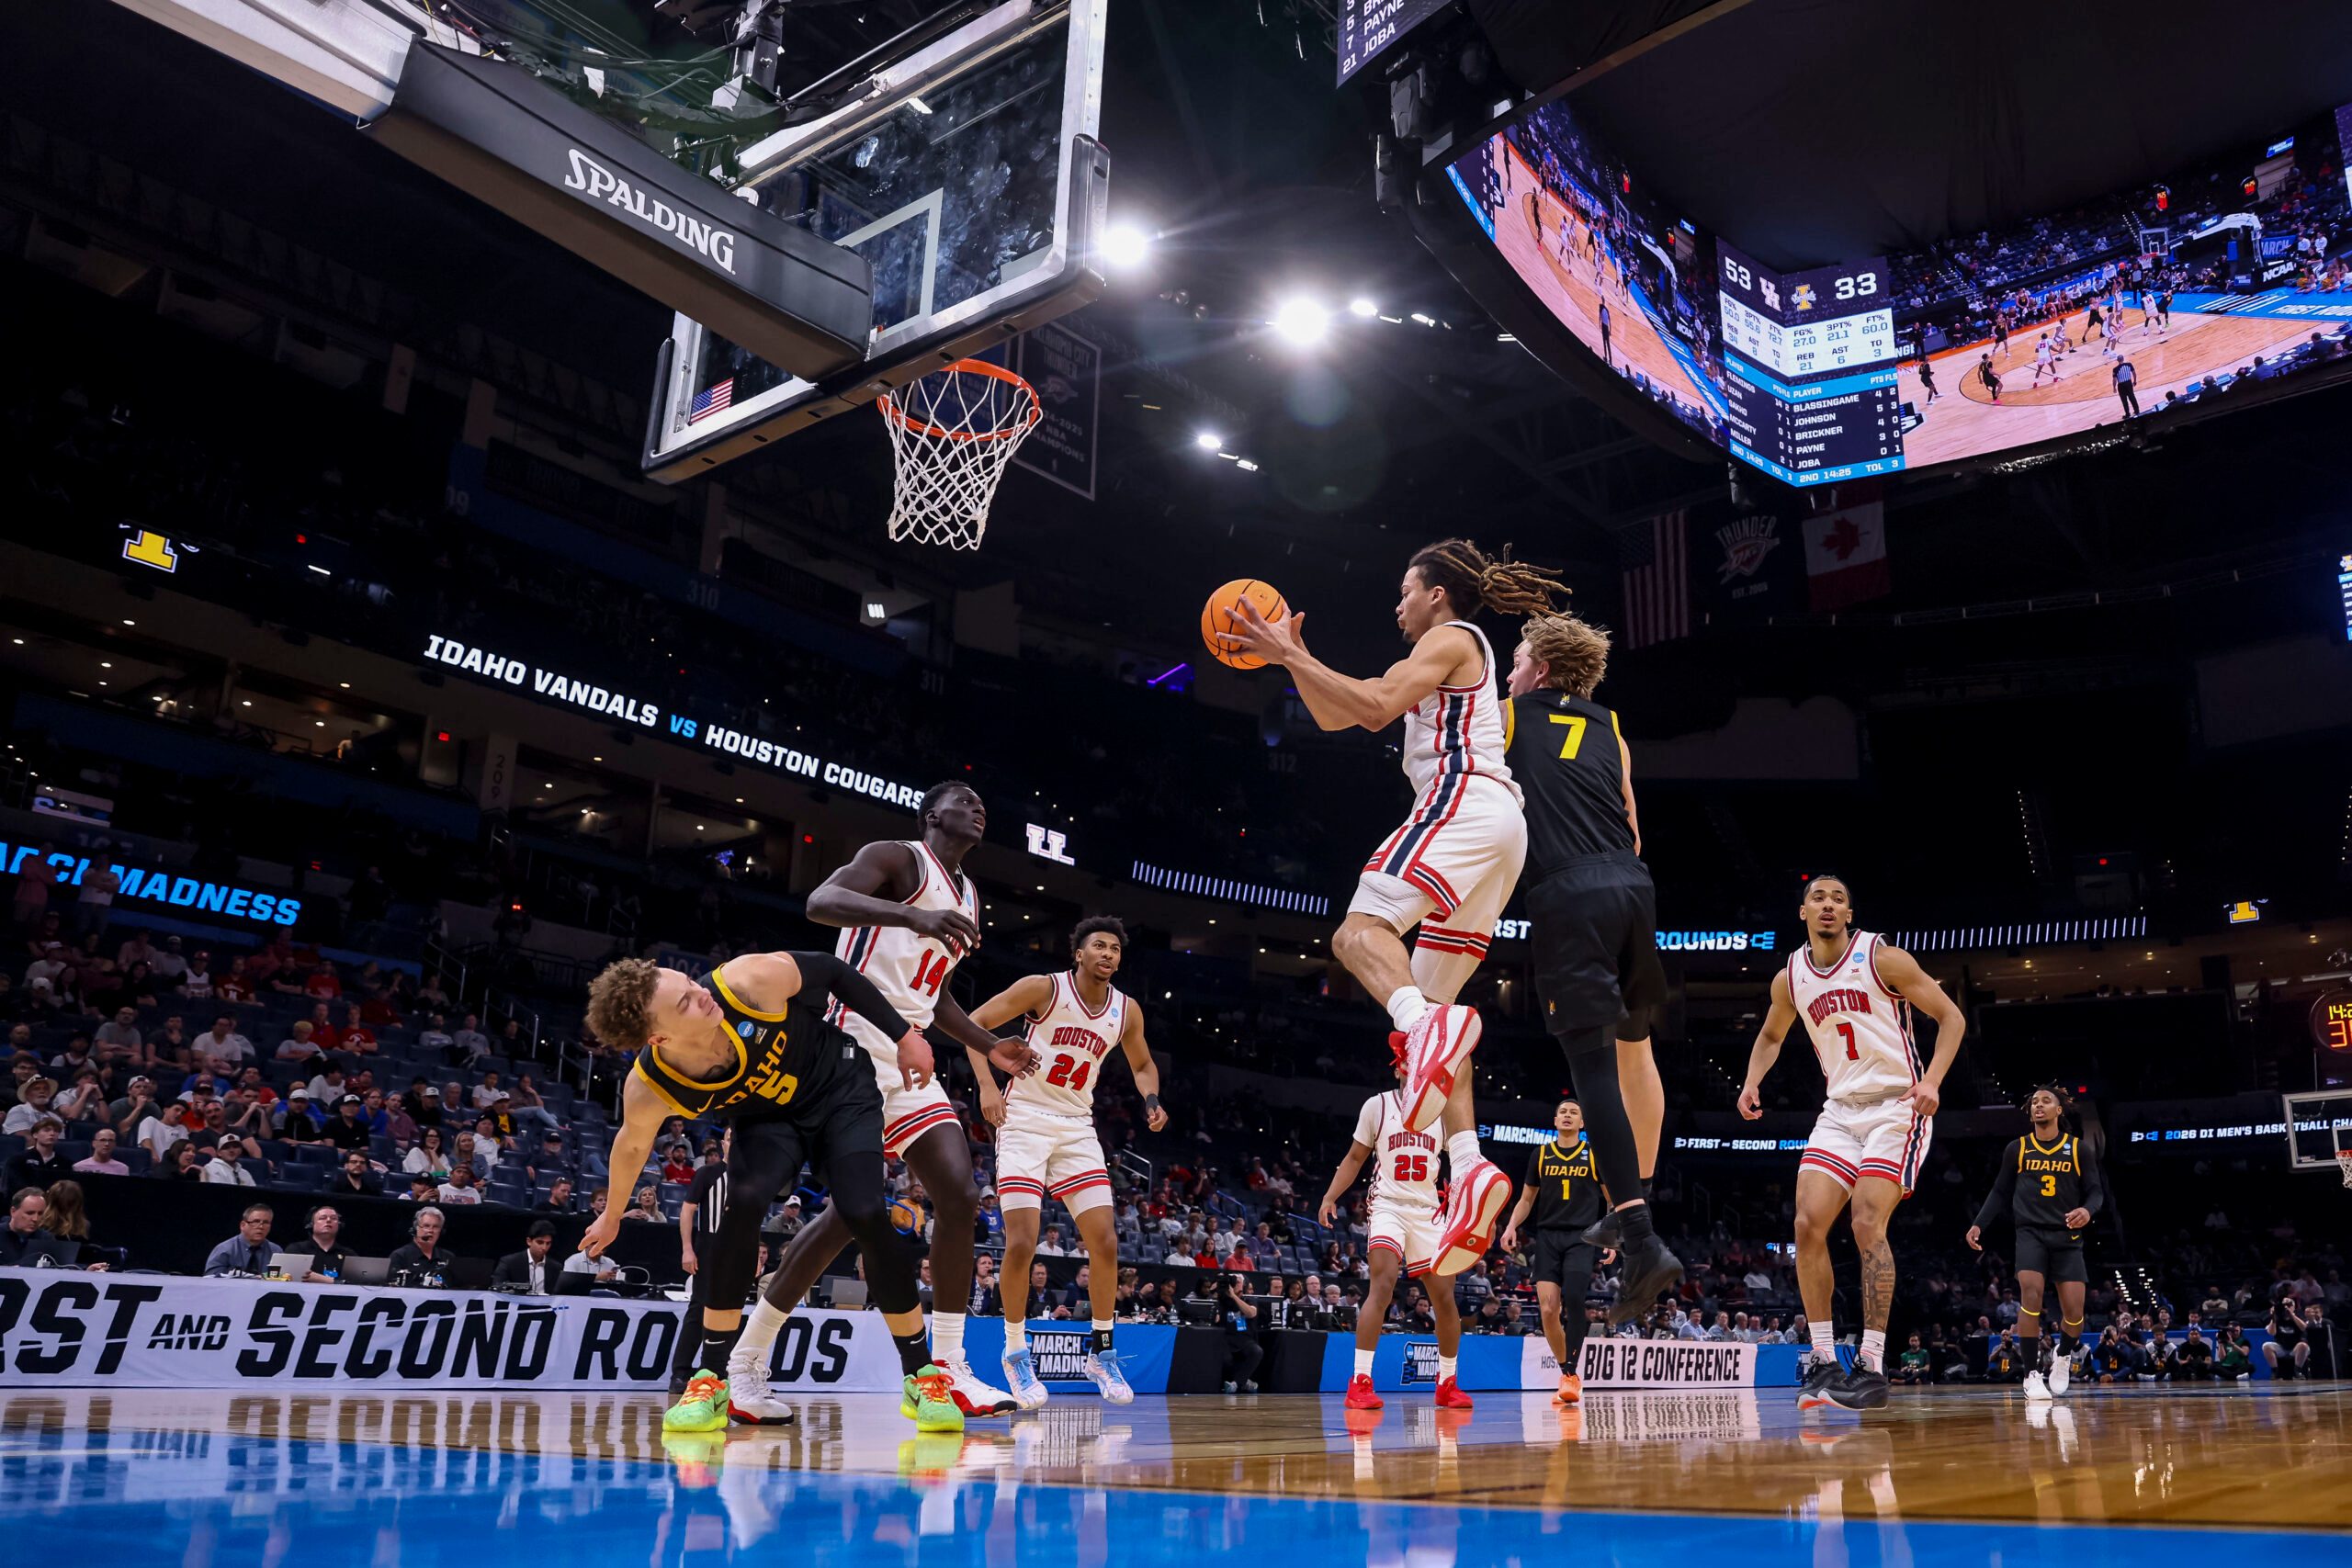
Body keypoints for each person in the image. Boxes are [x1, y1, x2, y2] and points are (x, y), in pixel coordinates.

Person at [1225, 540, 1571, 1273]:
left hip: (1465, 802)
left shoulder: (1451, 638)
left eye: (1405, 590)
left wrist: (1292, 652)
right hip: (1499, 835)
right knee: (1434, 1021)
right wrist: (1291, 655)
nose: (1397, 603)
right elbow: (1337, 713)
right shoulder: (1435, 658)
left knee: (1358, 933)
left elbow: (1376, 709)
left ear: (1438, 593)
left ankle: (1426, 1031)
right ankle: (1473, 1163)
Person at [580, 946, 966, 1437]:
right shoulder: (650, 1086)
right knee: (741, 1203)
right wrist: (613, 1215)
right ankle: (711, 1380)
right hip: (767, 1118)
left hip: (840, 1087)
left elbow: (834, 972)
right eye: (686, 1004)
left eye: (691, 984)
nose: (702, 995)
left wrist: (904, 1035)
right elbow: (631, 1146)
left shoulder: (747, 981)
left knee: (864, 1210)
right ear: (658, 1038)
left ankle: (921, 1375)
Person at [743, 786, 1037, 1420]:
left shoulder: (969, 895)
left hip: (910, 1052)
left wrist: (991, 1045)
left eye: (985, 802)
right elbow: (821, 902)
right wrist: (912, 916)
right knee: (851, 1215)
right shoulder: (897, 859)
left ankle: (951, 1364)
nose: (980, 807)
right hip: (848, 1043)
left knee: (959, 1193)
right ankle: (747, 1361)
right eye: (965, 800)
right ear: (933, 815)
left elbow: (937, 995)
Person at [1502, 610, 1678, 1316]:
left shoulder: (1510, 715)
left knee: (1592, 1070)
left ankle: (1638, 1230)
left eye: (1517, 660)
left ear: (1540, 671)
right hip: (1634, 888)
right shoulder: (1611, 727)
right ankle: (1639, 1199)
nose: (1511, 671)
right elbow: (1634, 826)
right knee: (1637, 1052)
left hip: (1569, 892)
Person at [1737, 874, 1967, 1411]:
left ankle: (1870, 1361)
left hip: (1896, 1105)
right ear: (1802, 912)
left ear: (1848, 914)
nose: (1828, 905)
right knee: (1806, 1224)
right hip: (1840, 1111)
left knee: (1866, 1220)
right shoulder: (1790, 976)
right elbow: (1771, 1035)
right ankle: (1821, 1360)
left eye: (1838, 898)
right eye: (1818, 897)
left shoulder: (1882, 959)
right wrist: (1751, 1082)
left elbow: (1951, 1018)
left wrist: (1931, 1080)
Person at [965, 916, 1166, 1408]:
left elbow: (1141, 1063)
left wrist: (1152, 1098)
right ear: (1078, 952)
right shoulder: (1044, 989)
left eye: (1115, 949)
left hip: (1077, 1126)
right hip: (1025, 1119)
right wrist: (988, 1088)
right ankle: (1015, 1351)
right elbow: (974, 1025)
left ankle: (1101, 1351)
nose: (1108, 955)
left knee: (1105, 1241)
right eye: (1099, 946)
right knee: (1022, 1241)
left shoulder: (1126, 1011)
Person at [1319, 1040, 1473, 1413]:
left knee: (1444, 1299)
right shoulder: (1378, 1105)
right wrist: (1329, 1197)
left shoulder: (1445, 1112)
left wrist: (1471, 1208)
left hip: (1429, 1211)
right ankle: (1359, 1381)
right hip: (1388, 1205)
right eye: (1409, 1065)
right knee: (1383, 1283)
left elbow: (1467, 1162)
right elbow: (1355, 1157)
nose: (1414, 1072)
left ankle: (1447, 1382)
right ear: (1398, 1069)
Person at [1967, 1085, 2105, 1399]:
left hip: (2067, 1235)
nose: (2038, 1105)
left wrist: (2087, 1209)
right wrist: (1979, 1224)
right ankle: (2030, 1373)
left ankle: (2063, 1355)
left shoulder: (2078, 1149)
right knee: (2031, 1294)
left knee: (2074, 1313)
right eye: (2034, 1102)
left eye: (2046, 1101)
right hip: (2030, 1233)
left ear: (2059, 1110)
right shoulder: (2017, 1148)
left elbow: (2096, 1191)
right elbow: (2000, 1190)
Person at [1498, 1099, 1607, 1404]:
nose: (1568, 1116)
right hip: (1547, 1237)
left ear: (1582, 1123)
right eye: (1563, 1112)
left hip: (1582, 1237)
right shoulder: (1541, 1154)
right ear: (1555, 1120)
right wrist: (1510, 1227)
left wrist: (1613, 1238)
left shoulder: (1594, 1155)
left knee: (1573, 1298)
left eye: (1574, 1112)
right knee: (1547, 1310)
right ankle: (1567, 1372)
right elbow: (1526, 1199)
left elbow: (1611, 1201)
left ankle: (1570, 1372)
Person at [667, 1129, 734, 1395]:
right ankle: (680, 1373)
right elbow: (687, 1210)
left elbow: (754, 1218)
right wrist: (687, 1248)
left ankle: (719, 1373)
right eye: (731, 1137)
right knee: (699, 1310)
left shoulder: (753, 1177)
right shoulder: (708, 1173)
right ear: (723, 1143)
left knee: (731, 1313)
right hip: (709, 1244)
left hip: (737, 1247)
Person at [204, 1203, 279, 1276]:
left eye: (266, 1222)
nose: (261, 1226)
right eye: (256, 1221)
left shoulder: (276, 1251)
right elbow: (211, 1278)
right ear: (243, 1225)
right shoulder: (224, 1249)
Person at [1, 1187, 66, 1267]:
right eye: (30, 1213)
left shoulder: (46, 1239)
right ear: (13, 1211)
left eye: (40, 1214)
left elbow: (61, 1268)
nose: (35, 1219)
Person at [493, 1220, 558, 1296]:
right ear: (529, 1241)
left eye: (548, 1243)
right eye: (540, 1242)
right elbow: (497, 1287)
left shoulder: (555, 1267)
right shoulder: (509, 1262)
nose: (544, 1247)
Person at [301, 1204, 356, 1280]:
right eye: (322, 1218)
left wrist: (321, 1279)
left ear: (339, 1225)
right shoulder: (297, 1249)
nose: (328, 1220)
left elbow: (357, 1281)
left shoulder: (349, 1254)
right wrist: (339, 1282)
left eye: (334, 1218)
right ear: (311, 1224)